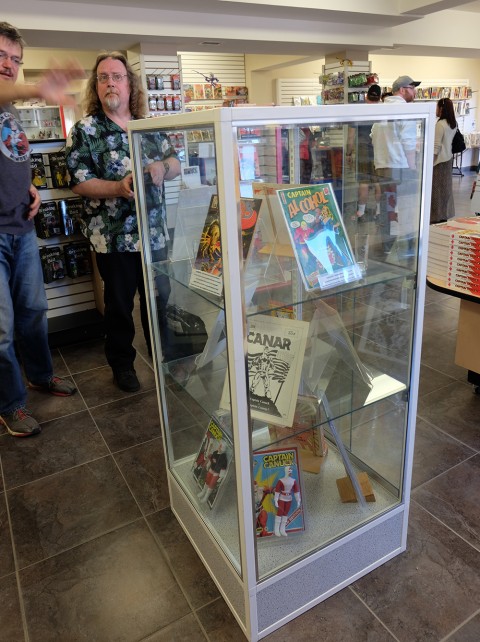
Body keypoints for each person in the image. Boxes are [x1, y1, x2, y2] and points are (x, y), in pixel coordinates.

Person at [66, 52, 181, 393]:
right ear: (96, 86)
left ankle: (166, 359)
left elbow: (177, 163)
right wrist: (117, 187)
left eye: (117, 76)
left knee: (160, 297)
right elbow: (78, 181)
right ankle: (123, 366)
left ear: (130, 85)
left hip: (154, 232)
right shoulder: (85, 130)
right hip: (112, 238)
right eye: (103, 77)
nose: (110, 83)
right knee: (118, 305)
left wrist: (163, 167)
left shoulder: (149, 126)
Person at [0, 22, 82, 437]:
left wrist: (30, 186)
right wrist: (35, 89)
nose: (9, 65)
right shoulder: (9, 97)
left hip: (22, 227)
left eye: (16, 60)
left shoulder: (10, 111)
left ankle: (39, 375)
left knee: (33, 313)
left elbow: (11, 156)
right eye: (1, 56)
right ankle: (11, 404)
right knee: (0, 330)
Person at [371, 75, 420, 253]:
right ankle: (406, 246)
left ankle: (387, 244)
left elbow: (373, 138)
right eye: (412, 88)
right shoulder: (406, 111)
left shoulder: (379, 111)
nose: (414, 92)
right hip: (400, 168)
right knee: (405, 208)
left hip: (381, 167)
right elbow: (408, 144)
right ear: (403, 89)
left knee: (386, 207)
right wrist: (412, 168)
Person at [346, 84, 382, 222]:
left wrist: (348, 153)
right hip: (379, 148)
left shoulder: (358, 109)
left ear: (366, 95)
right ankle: (379, 211)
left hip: (362, 149)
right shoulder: (384, 110)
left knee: (364, 182)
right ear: (379, 97)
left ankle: (361, 212)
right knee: (379, 182)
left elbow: (350, 136)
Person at [430, 97, 457, 223]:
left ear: (441, 108)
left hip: (438, 162)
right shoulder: (453, 124)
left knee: (436, 193)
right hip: (448, 160)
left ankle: (435, 217)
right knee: (445, 191)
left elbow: (436, 147)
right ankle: (443, 216)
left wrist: (430, 163)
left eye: (437, 107)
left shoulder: (440, 125)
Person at [273, 465, 301, 537]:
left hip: (289, 498)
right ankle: (276, 529)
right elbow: (277, 491)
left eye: (291, 471)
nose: (290, 472)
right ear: (286, 471)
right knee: (280, 512)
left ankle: (282, 529)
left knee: (285, 513)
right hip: (282, 498)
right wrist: (276, 500)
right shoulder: (281, 480)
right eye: (289, 471)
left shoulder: (293, 481)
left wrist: (298, 500)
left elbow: (296, 491)